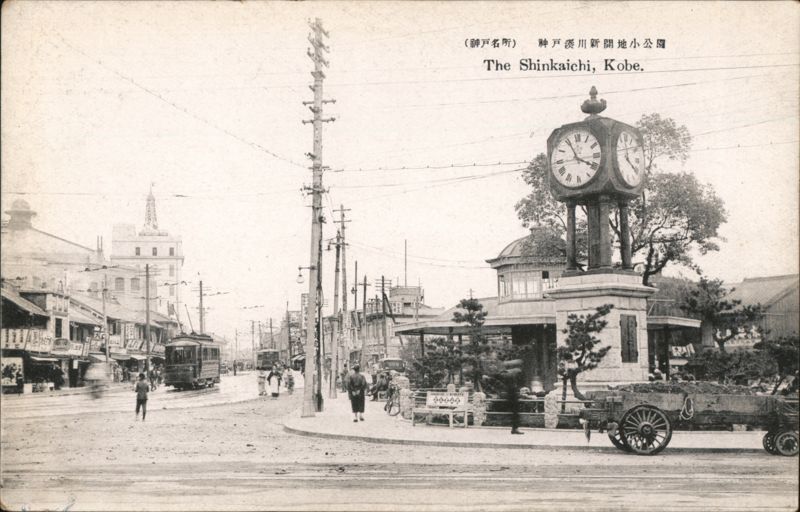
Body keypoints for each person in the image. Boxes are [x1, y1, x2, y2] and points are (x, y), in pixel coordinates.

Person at [501, 359, 524, 435]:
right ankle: (515, 428)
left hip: (510, 394)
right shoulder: (514, 372)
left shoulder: (507, 373)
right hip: (512, 395)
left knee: (514, 413)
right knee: (515, 412)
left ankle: (514, 428)